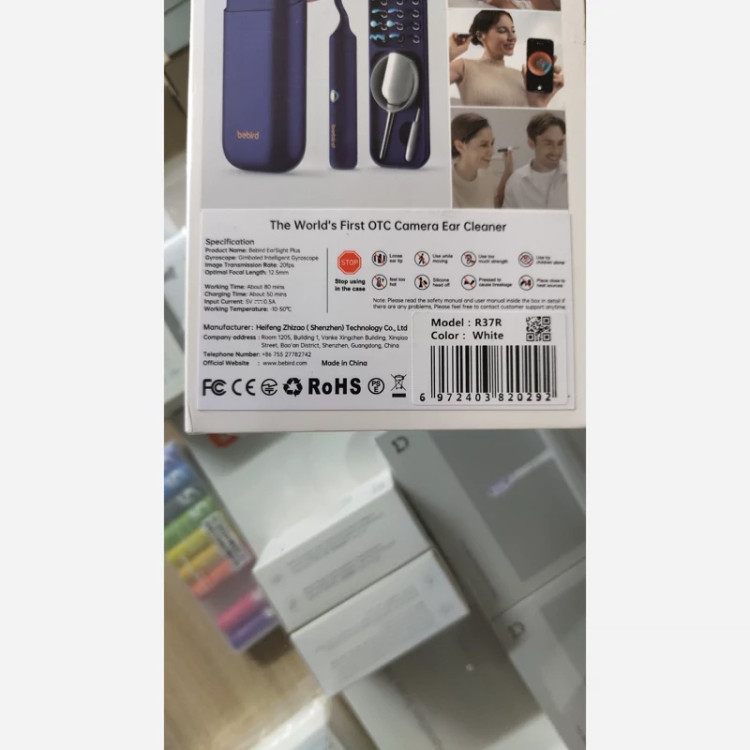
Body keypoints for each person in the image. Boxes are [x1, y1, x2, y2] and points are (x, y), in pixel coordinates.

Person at [449, 10, 564, 107]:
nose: (512, 37)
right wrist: (450, 54)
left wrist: (539, 104)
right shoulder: (464, 66)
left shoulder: (523, 77)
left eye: (513, 31)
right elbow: (436, 85)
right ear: (480, 35)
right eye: (502, 30)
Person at [502, 113, 567, 209]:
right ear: (531, 143)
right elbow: (508, 218)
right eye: (548, 143)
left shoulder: (578, 177)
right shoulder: (515, 182)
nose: (556, 150)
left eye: (560, 143)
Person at [451, 113, 513, 209]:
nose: (492, 152)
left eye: (492, 143)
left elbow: (497, 205)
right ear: (460, 146)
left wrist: (507, 171)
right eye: (484, 145)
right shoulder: (446, 184)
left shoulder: (487, 173)